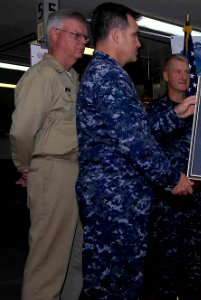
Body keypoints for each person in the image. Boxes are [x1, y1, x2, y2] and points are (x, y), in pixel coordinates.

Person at [76, 3, 195, 299]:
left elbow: (133, 132)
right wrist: (173, 179)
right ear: (116, 35)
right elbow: (136, 144)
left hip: (114, 201)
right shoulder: (109, 76)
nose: (139, 42)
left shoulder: (105, 73)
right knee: (114, 286)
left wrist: (175, 114)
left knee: (116, 283)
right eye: (135, 34)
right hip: (115, 204)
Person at [9, 9, 88, 300]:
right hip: (53, 172)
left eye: (85, 37)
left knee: (74, 258)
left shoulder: (73, 77)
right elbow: (21, 131)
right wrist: (25, 167)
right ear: (55, 35)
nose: (83, 41)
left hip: (75, 172)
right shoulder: (42, 76)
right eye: (76, 35)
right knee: (49, 262)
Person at [143, 54, 201, 300]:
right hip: (167, 204)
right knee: (164, 270)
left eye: (187, 72)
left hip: (200, 201)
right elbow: (144, 149)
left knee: (196, 270)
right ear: (166, 76)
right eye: (178, 71)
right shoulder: (154, 113)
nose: (184, 76)